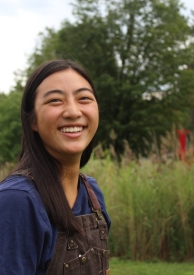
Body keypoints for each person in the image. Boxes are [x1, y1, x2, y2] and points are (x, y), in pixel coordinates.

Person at [0, 59, 111, 275]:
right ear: (32, 121)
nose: (72, 111)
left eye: (84, 98)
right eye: (55, 100)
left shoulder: (92, 195)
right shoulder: (18, 201)